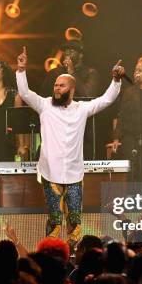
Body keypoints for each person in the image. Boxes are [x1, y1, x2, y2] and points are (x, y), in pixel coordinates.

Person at [16, 46, 124, 248]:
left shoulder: (81, 109)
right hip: (50, 174)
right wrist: (21, 70)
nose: (56, 88)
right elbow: (25, 92)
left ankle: (73, 256)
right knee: (54, 220)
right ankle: (52, 255)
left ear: (71, 90)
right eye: (56, 85)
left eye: (61, 86)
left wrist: (116, 81)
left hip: (74, 175)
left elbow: (106, 99)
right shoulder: (44, 105)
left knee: (74, 221)